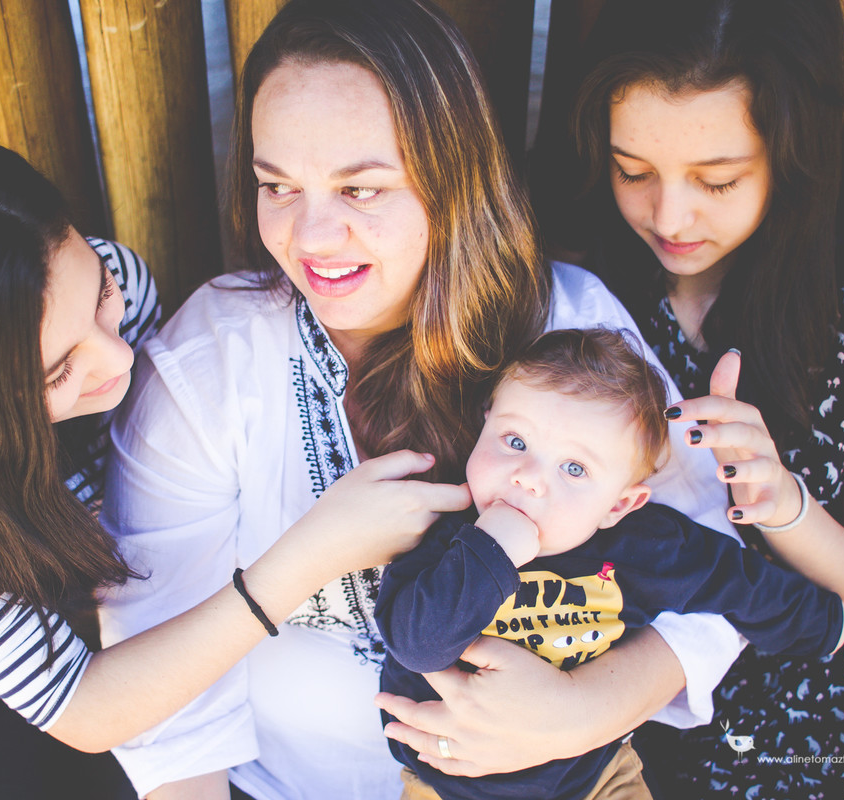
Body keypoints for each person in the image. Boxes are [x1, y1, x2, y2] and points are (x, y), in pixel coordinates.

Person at [98, 2, 749, 798]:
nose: (310, 236)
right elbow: (165, 701)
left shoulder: (570, 327)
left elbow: (713, 562)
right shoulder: (210, 364)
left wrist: (584, 710)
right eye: (277, 185)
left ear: (453, 176)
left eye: (361, 190)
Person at [0, 125, 460, 800]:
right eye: (56, 372)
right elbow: (86, 710)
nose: (120, 357)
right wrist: (310, 555)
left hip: (28, 670)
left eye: (100, 296)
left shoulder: (104, 286)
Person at [555, 0, 844, 796]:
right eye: (633, 170)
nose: (670, 215)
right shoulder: (576, 291)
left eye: (718, 180)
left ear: (793, 154)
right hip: (665, 690)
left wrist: (781, 501)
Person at [376, 328, 844, 800]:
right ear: (486, 422)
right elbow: (415, 646)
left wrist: (823, 624)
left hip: (596, 780)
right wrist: (489, 551)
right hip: (446, 783)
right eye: (515, 441)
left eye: (574, 469)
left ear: (619, 505)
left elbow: (732, 579)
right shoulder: (447, 538)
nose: (528, 479)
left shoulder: (644, 548)